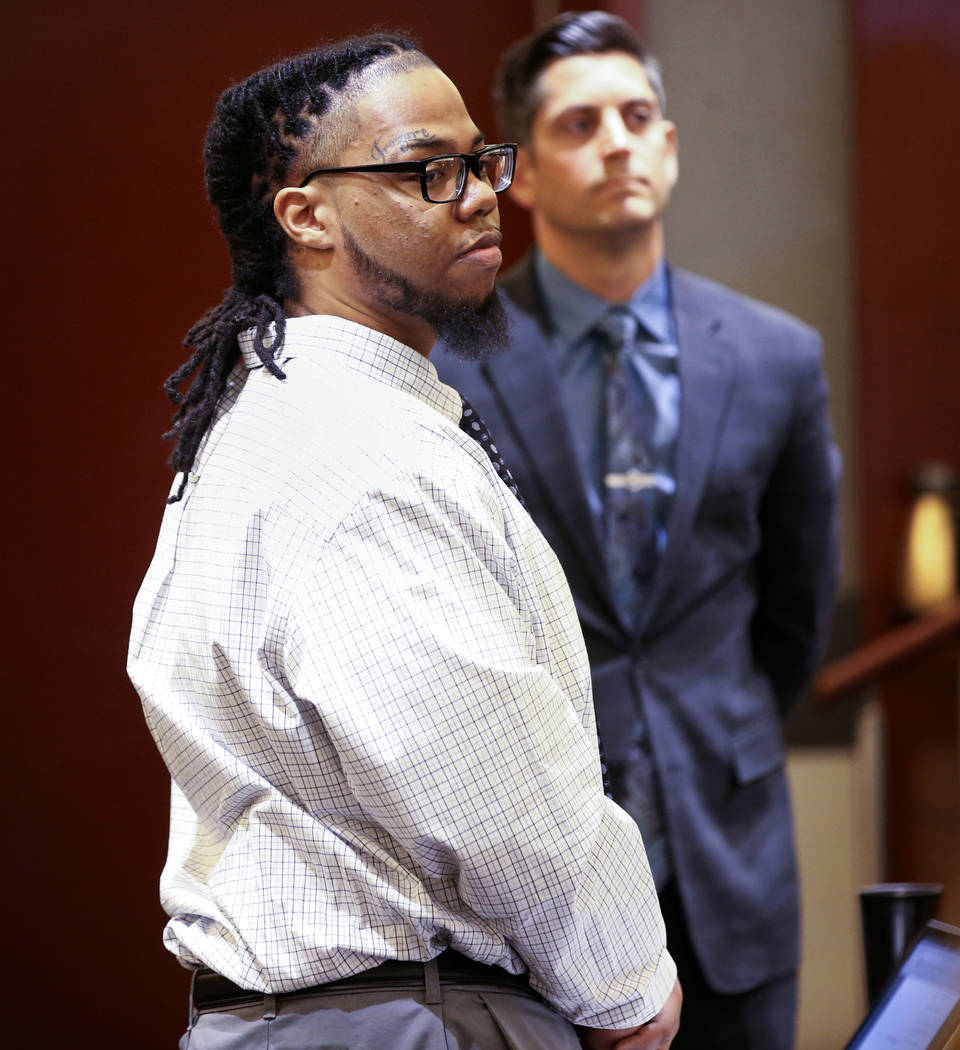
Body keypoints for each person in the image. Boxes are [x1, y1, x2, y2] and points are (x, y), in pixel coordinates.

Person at [127, 33, 684, 1050]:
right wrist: (628, 989)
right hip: (407, 1013)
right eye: (429, 168)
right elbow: (495, 790)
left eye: (481, 160)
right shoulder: (350, 450)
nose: (477, 194)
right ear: (305, 214)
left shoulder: (295, 410)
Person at [433, 12, 841, 1050]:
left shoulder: (775, 357)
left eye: (637, 116)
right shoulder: (450, 366)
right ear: (519, 173)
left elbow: (795, 612)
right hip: (539, 873)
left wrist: (724, 720)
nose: (616, 140)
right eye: (579, 124)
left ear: (668, 143)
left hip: (731, 850)